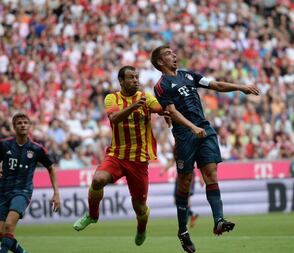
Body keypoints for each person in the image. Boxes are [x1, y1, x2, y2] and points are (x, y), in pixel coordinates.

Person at [150, 45, 260, 253]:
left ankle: (219, 219)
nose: (174, 54)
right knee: (184, 182)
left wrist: (240, 87)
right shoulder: (161, 86)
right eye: (168, 54)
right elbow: (171, 112)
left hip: (204, 130)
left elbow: (215, 85)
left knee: (211, 173)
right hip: (185, 135)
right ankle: (183, 231)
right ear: (159, 62)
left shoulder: (187, 75)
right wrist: (191, 127)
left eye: (173, 52)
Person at [72, 66, 170, 246]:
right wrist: (134, 107)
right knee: (98, 180)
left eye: (136, 77)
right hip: (116, 156)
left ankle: (141, 228)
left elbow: (161, 108)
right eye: (131, 77)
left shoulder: (146, 97)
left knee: (139, 208)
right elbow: (114, 118)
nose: (135, 80)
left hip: (139, 161)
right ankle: (93, 216)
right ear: (121, 81)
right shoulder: (112, 98)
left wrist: (167, 112)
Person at [0, 112, 61, 253]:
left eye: (25, 123)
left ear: (29, 126)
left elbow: (51, 168)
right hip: (3, 190)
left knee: (9, 226)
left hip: (22, 191)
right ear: (14, 127)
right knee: (2, 234)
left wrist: (56, 193)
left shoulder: (36, 149)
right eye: (19, 123)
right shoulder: (4, 146)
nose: (23, 125)